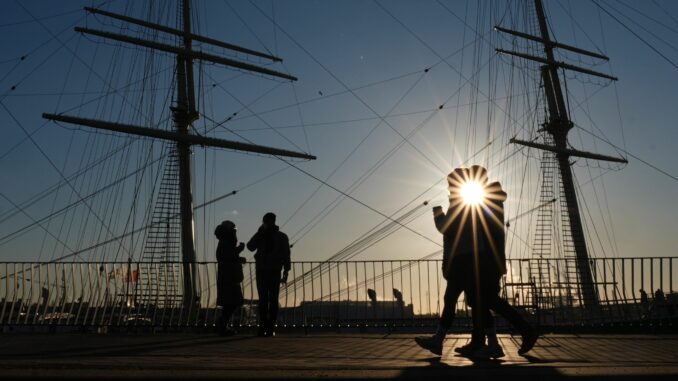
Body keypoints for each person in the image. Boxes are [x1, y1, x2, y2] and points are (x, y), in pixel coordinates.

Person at [414, 166, 503, 358]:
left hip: (463, 260)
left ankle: (440, 340)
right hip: (468, 260)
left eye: (450, 182)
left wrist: (437, 213)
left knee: (457, 301)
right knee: (476, 303)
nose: (448, 186)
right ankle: (491, 342)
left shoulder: (460, 201)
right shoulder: (468, 199)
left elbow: (448, 229)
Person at [469, 178, 538, 357]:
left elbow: (482, 236)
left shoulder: (489, 210)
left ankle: (522, 332)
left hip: (487, 263)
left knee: (488, 300)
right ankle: (494, 340)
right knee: (485, 301)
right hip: (492, 262)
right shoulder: (495, 209)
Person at [247, 212, 291, 337]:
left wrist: (286, 271)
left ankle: (269, 326)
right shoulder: (263, 235)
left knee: (270, 300)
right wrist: (259, 233)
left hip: (272, 270)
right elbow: (250, 246)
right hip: (264, 270)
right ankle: (265, 326)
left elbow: (286, 255)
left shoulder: (281, 237)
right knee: (265, 300)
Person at [215, 220, 246, 336]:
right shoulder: (225, 242)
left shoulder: (224, 242)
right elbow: (228, 256)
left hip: (229, 277)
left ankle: (223, 324)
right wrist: (239, 250)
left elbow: (229, 256)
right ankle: (223, 323)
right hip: (229, 277)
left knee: (231, 302)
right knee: (232, 302)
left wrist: (238, 256)